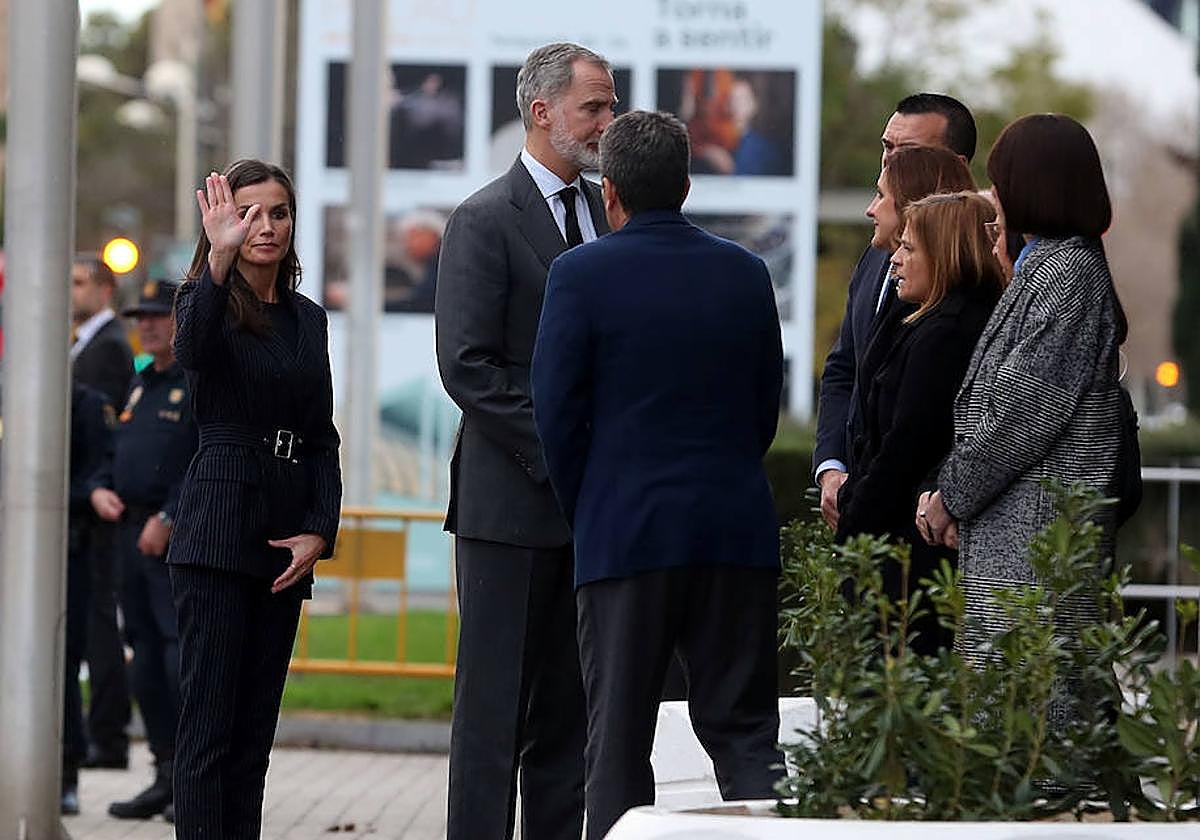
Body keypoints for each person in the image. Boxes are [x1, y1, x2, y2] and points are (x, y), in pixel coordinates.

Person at [532, 110, 785, 839]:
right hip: (734, 530)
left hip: (624, 533)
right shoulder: (745, 272)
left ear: (609, 192)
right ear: (686, 183)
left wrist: (595, 505)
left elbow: (557, 414)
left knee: (617, 738)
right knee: (745, 736)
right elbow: (762, 407)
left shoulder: (578, 275)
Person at [434, 41, 615, 840]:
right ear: (542, 112)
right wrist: (562, 455)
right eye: (595, 107)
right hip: (509, 508)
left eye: (610, 106)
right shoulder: (482, 220)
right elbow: (468, 368)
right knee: (492, 720)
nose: (609, 121)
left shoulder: (612, 217)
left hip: (590, 516)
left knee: (568, 722)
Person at [917, 115, 1126, 694]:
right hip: (1018, 535)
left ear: (1032, 184)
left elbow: (1017, 415)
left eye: (1000, 178)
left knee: (1031, 738)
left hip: (1035, 540)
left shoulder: (1065, 277)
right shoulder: (1047, 268)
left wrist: (950, 499)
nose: (993, 194)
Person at [169, 160, 342, 838]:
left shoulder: (309, 319)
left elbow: (321, 436)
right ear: (223, 222)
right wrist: (217, 259)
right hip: (216, 534)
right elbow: (191, 350)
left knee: (252, 744)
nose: (265, 227)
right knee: (207, 738)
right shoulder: (201, 298)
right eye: (248, 213)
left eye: (278, 213)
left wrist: (320, 529)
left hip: (283, 542)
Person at [835, 192, 1004, 654]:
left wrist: (853, 515)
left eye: (909, 249)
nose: (896, 261)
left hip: (910, 560)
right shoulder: (929, 322)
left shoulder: (944, 334)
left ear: (945, 254)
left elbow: (905, 445)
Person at [814, 93, 976, 531]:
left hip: (918, 527)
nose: (889, 164)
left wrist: (862, 501)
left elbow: (915, 431)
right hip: (863, 512)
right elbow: (844, 368)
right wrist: (832, 469)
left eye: (907, 154)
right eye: (887, 148)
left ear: (948, 168)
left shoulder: (964, 293)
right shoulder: (873, 259)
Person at [89, 279, 198, 821]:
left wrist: (169, 517)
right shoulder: (141, 384)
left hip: (169, 540)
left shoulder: (195, 383)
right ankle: (163, 771)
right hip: (128, 536)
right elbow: (117, 450)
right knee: (146, 662)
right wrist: (100, 486)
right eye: (142, 317)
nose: (148, 325)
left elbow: (201, 459)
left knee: (179, 658)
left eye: (159, 316)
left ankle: (191, 783)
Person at [70, 253, 134, 770]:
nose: (70, 293)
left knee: (99, 628)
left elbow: (105, 429)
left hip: (96, 509)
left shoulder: (108, 346)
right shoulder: (84, 343)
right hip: (81, 506)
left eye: (78, 283)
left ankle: (106, 735)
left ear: (104, 290)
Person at [62, 383, 114, 814]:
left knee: (62, 663)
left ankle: (64, 773)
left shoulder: (85, 404)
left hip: (66, 552)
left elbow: (95, 477)